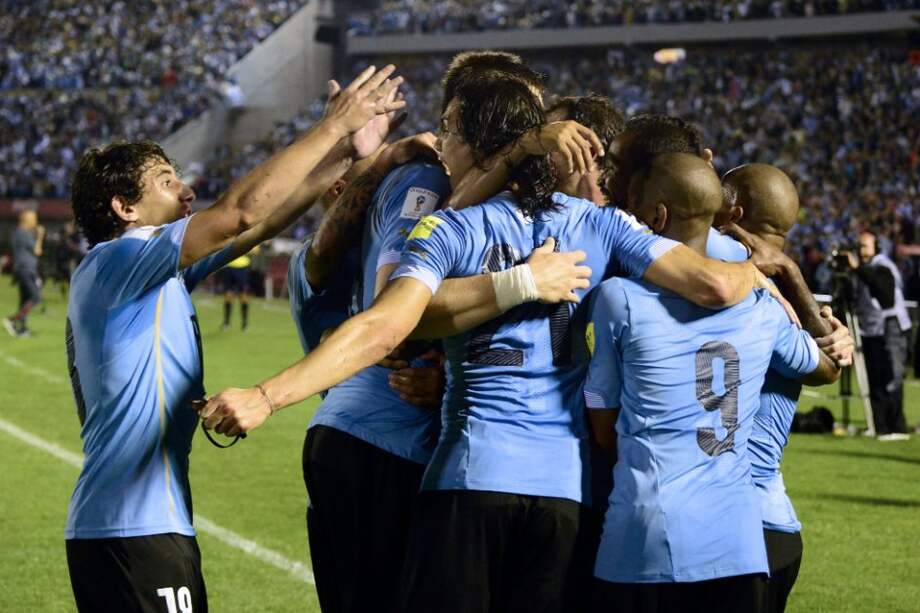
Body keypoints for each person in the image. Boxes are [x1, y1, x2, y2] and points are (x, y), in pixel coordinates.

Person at [199, 78, 763, 612]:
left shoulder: (447, 230)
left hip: (470, 477)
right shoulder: (603, 226)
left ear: (476, 145)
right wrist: (762, 271)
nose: (439, 143)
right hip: (565, 491)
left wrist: (268, 396)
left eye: (449, 131)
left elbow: (382, 326)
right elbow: (713, 283)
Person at [62, 65, 405, 613]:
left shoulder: (149, 272)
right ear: (124, 209)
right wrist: (330, 127)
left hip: (136, 526)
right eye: (166, 182)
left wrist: (347, 151)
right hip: (133, 527)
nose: (186, 189)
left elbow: (259, 224)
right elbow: (238, 211)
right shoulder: (120, 258)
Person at [585, 153, 840, 613]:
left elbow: (603, 427)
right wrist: (809, 305)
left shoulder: (620, 298)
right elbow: (827, 365)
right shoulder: (766, 303)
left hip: (651, 528)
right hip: (745, 534)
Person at [716, 163, 854, 612]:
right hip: (772, 525)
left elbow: (828, 367)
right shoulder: (778, 298)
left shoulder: (726, 289)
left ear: (733, 211)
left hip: (737, 529)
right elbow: (829, 366)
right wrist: (793, 275)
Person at [846, 230, 912, 439]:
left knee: (890, 378)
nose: (860, 251)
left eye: (865, 246)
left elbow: (886, 295)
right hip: (871, 329)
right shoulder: (865, 269)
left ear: (877, 248)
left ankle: (897, 426)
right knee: (874, 379)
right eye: (859, 246)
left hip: (890, 328)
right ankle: (880, 425)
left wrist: (858, 269)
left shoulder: (883, 266)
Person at [4, 209, 45, 337]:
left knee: (25, 300)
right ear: (26, 219)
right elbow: (37, 251)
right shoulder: (23, 233)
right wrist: (40, 235)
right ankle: (12, 320)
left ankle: (22, 329)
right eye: (34, 218)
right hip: (25, 269)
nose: (36, 221)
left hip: (23, 269)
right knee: (35, 297)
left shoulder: (18, 232)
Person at [219, 248, 255, 331]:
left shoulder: (247, 234)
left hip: (243, 268)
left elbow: (255, 250)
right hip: (228, 267)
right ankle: (226, 323)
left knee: (243, 296)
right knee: (228, 296)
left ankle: (245, 324)